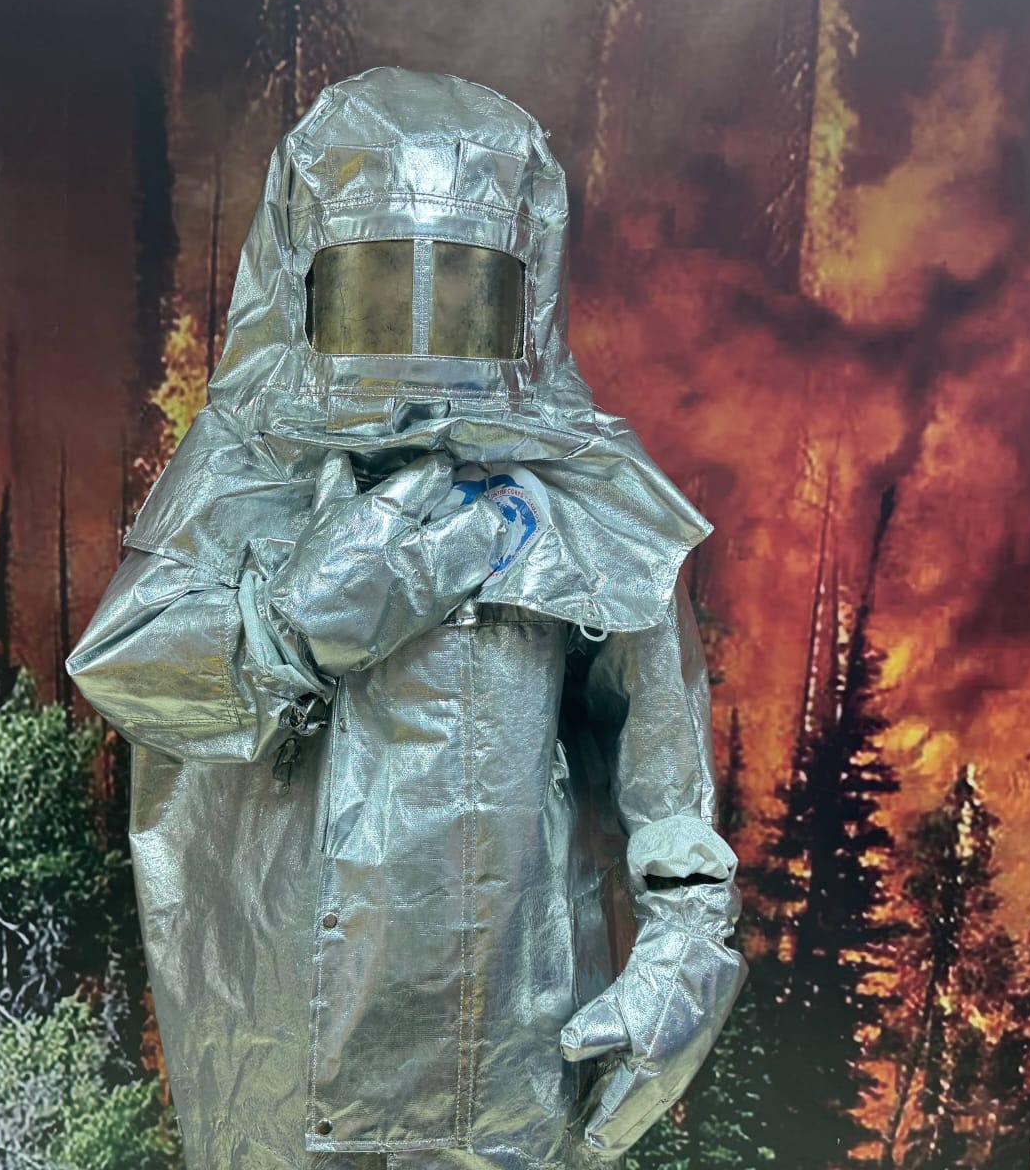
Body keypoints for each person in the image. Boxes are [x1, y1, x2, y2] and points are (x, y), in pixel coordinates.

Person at [67, 65, 748, 1170]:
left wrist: (686, 947)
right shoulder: (252, 467)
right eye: (383, 279)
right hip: (284, 1045)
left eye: (464, 281)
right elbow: (126, 665)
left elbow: (664, 763)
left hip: (512, 1052)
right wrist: (294, 624)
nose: (422, 327)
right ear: (308, 275)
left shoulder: (574, 490)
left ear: (524, 290)